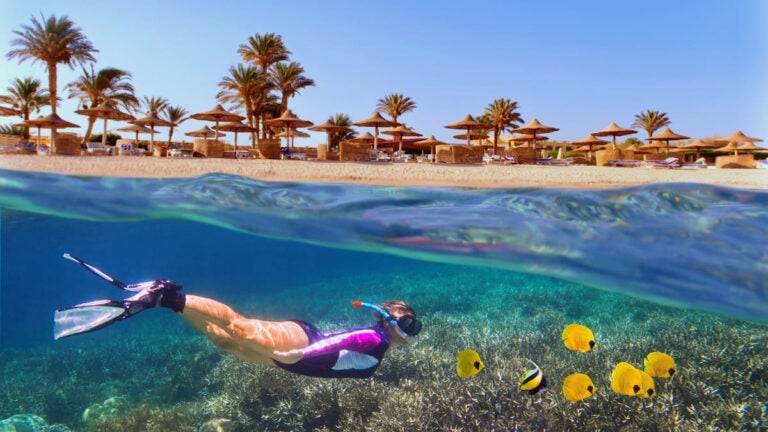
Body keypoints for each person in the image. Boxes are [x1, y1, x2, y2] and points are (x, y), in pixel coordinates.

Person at [53, 253, 422, 378]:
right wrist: (300, 354)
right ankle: (169, 292)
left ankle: (162, 303)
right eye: (409, 324)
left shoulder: (380, 347)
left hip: (290, 362)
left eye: (413, 326)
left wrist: (293, 362)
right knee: (241, 328)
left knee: (228, 343)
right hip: (302, 344)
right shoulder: (375, 339)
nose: (411, 331)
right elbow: (341, 343)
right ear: (388, 321)